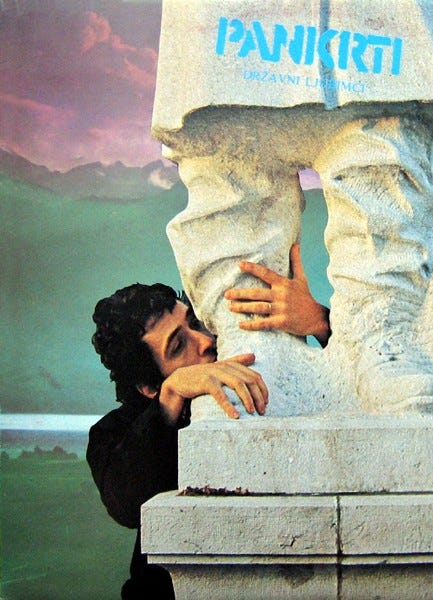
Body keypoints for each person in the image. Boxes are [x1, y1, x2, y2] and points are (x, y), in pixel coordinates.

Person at [86, 245, 329, 599]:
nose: (204, 341)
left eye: (194, 322)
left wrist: (320, 322)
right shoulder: (112, 434)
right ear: (148, 387)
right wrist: (172, 395)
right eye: (178, 346)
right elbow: (125, 502)